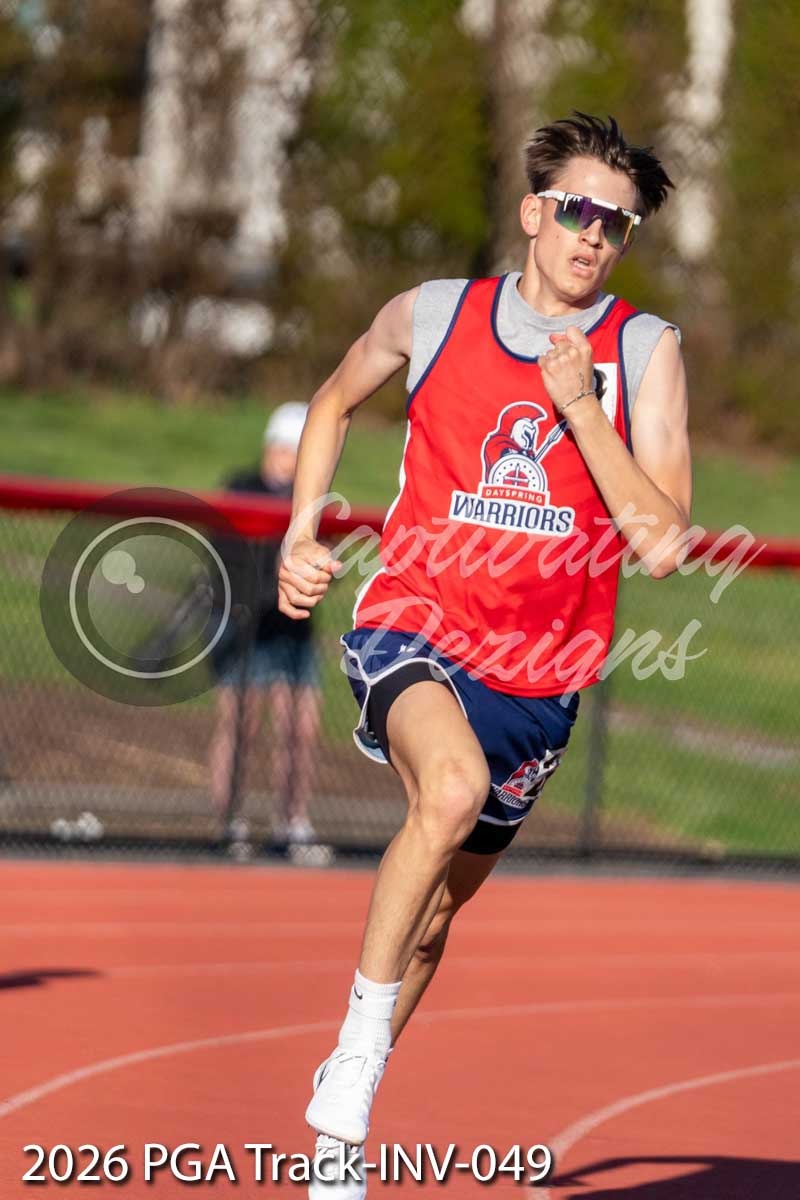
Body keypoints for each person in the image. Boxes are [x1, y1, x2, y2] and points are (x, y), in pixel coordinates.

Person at [278, 113, 691, 1194]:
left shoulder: (642, 352)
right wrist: (300, 532)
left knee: (431, 927)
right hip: (414, 618)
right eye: (578, 210)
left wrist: (582, 410)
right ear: (532, 212)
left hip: (541, 675)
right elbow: (331, 401)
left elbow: (662, 544)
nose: (594, 235)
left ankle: (337, 1144)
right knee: (450, 789)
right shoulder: (431, 314)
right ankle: (353, 1062)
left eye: (617, 223)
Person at [209, 402, 326, 859]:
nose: (288, 460)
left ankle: (291, 820)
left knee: (301, 727)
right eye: (283, 449)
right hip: (246, 627)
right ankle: (229, 819)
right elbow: (223, 556)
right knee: (242, 723)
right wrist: (264, 580)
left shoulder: (310, 503)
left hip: (293, 628)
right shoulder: (242, 488)